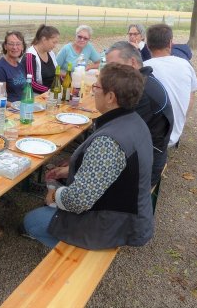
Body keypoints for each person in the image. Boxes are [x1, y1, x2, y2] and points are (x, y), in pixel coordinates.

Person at [23, 63, 154, 249]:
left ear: (110, 97)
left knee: (32, 221)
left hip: (114, 224)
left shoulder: (109, 141)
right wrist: (71, 170)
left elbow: (78, 200)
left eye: (97, 87)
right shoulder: (134, 120)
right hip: (128, 212)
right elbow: (112, 170)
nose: (93, 92)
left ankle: (67, 260)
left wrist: (54, 194)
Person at [105, 41, 174, 187]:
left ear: (133, 62)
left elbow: (116, 136)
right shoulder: (143, 82)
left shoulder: (142, 93)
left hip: (144, 169)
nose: (110, 72)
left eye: (115, 66)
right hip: (143, 155)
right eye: (108, 67)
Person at [144, 24, 197, 147]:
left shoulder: (144, 68)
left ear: (147, 45)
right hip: (176, 133)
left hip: (152, 138)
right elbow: (191, 96)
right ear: (170, 43)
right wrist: (181, 119)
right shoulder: (186, 65)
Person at [0, 31, 26, 103]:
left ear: (22, 47)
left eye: (18, 44)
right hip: (10, 109)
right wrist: (16, 106)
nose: (15, 47)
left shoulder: (20, 66)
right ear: (5, 46)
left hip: (23, 105)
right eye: (11, 44)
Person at [21, 24, 59, 94]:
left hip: (52, 94)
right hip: (38, 95)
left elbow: (56, 75)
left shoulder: (50, 53)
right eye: (54, 42)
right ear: (44, 39)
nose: (55, 46)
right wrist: (50, 91)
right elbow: (31, 83)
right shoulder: (30, 56)